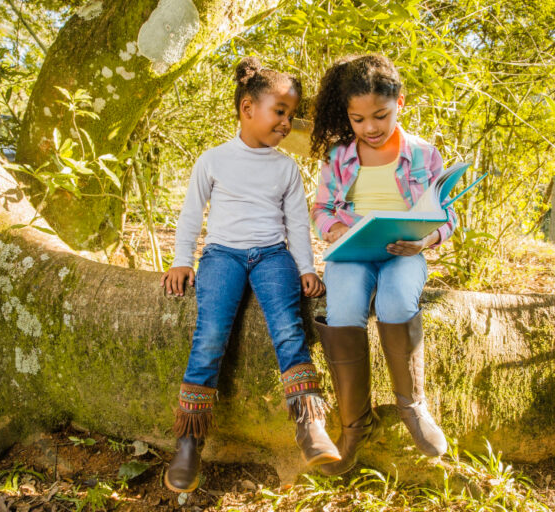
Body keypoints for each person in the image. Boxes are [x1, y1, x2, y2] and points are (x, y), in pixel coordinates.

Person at [160, 57, 340, 493]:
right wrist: (183, 259)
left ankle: (310, 425)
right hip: (222, 256)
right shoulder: (214, 160)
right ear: (247, 109)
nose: (286, 122)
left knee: (289, 330)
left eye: (291, 115)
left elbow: (297, 223)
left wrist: (306, 268)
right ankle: (188, 441)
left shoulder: (285, 168)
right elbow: (190, 216)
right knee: (210, 336)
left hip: (273, 256)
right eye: (280, 112)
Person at [309, 54, 456, 475]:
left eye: (381, 115)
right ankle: (355, 424)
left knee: (394, 301)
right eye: (358, 119)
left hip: (403, 255)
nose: (370, 128)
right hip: (353, 254)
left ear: (400, 104)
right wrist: (335, 230)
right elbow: (321, 209)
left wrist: (426, 239)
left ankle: (412, 406)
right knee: (344, 309)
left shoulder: (425, 155)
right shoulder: (339, 156)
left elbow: (447, 215)